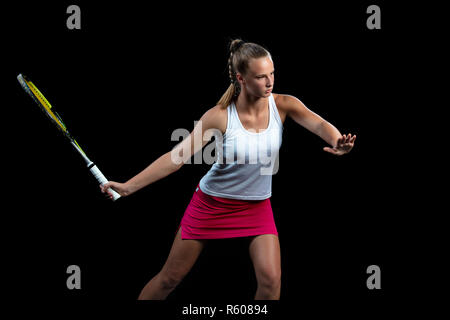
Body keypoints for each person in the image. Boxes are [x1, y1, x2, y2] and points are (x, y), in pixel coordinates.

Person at [101, 39, 356, 300]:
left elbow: (319, 125)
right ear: (241, 78)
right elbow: (176, 159)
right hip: (211, 205)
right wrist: (128, 186)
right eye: (260, 77)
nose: (269, 82)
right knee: (169, 279)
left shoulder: (284, 104)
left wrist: (337, 141)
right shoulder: (220, 116)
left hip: (257, 205)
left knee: (271, 282)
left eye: (272, 74)